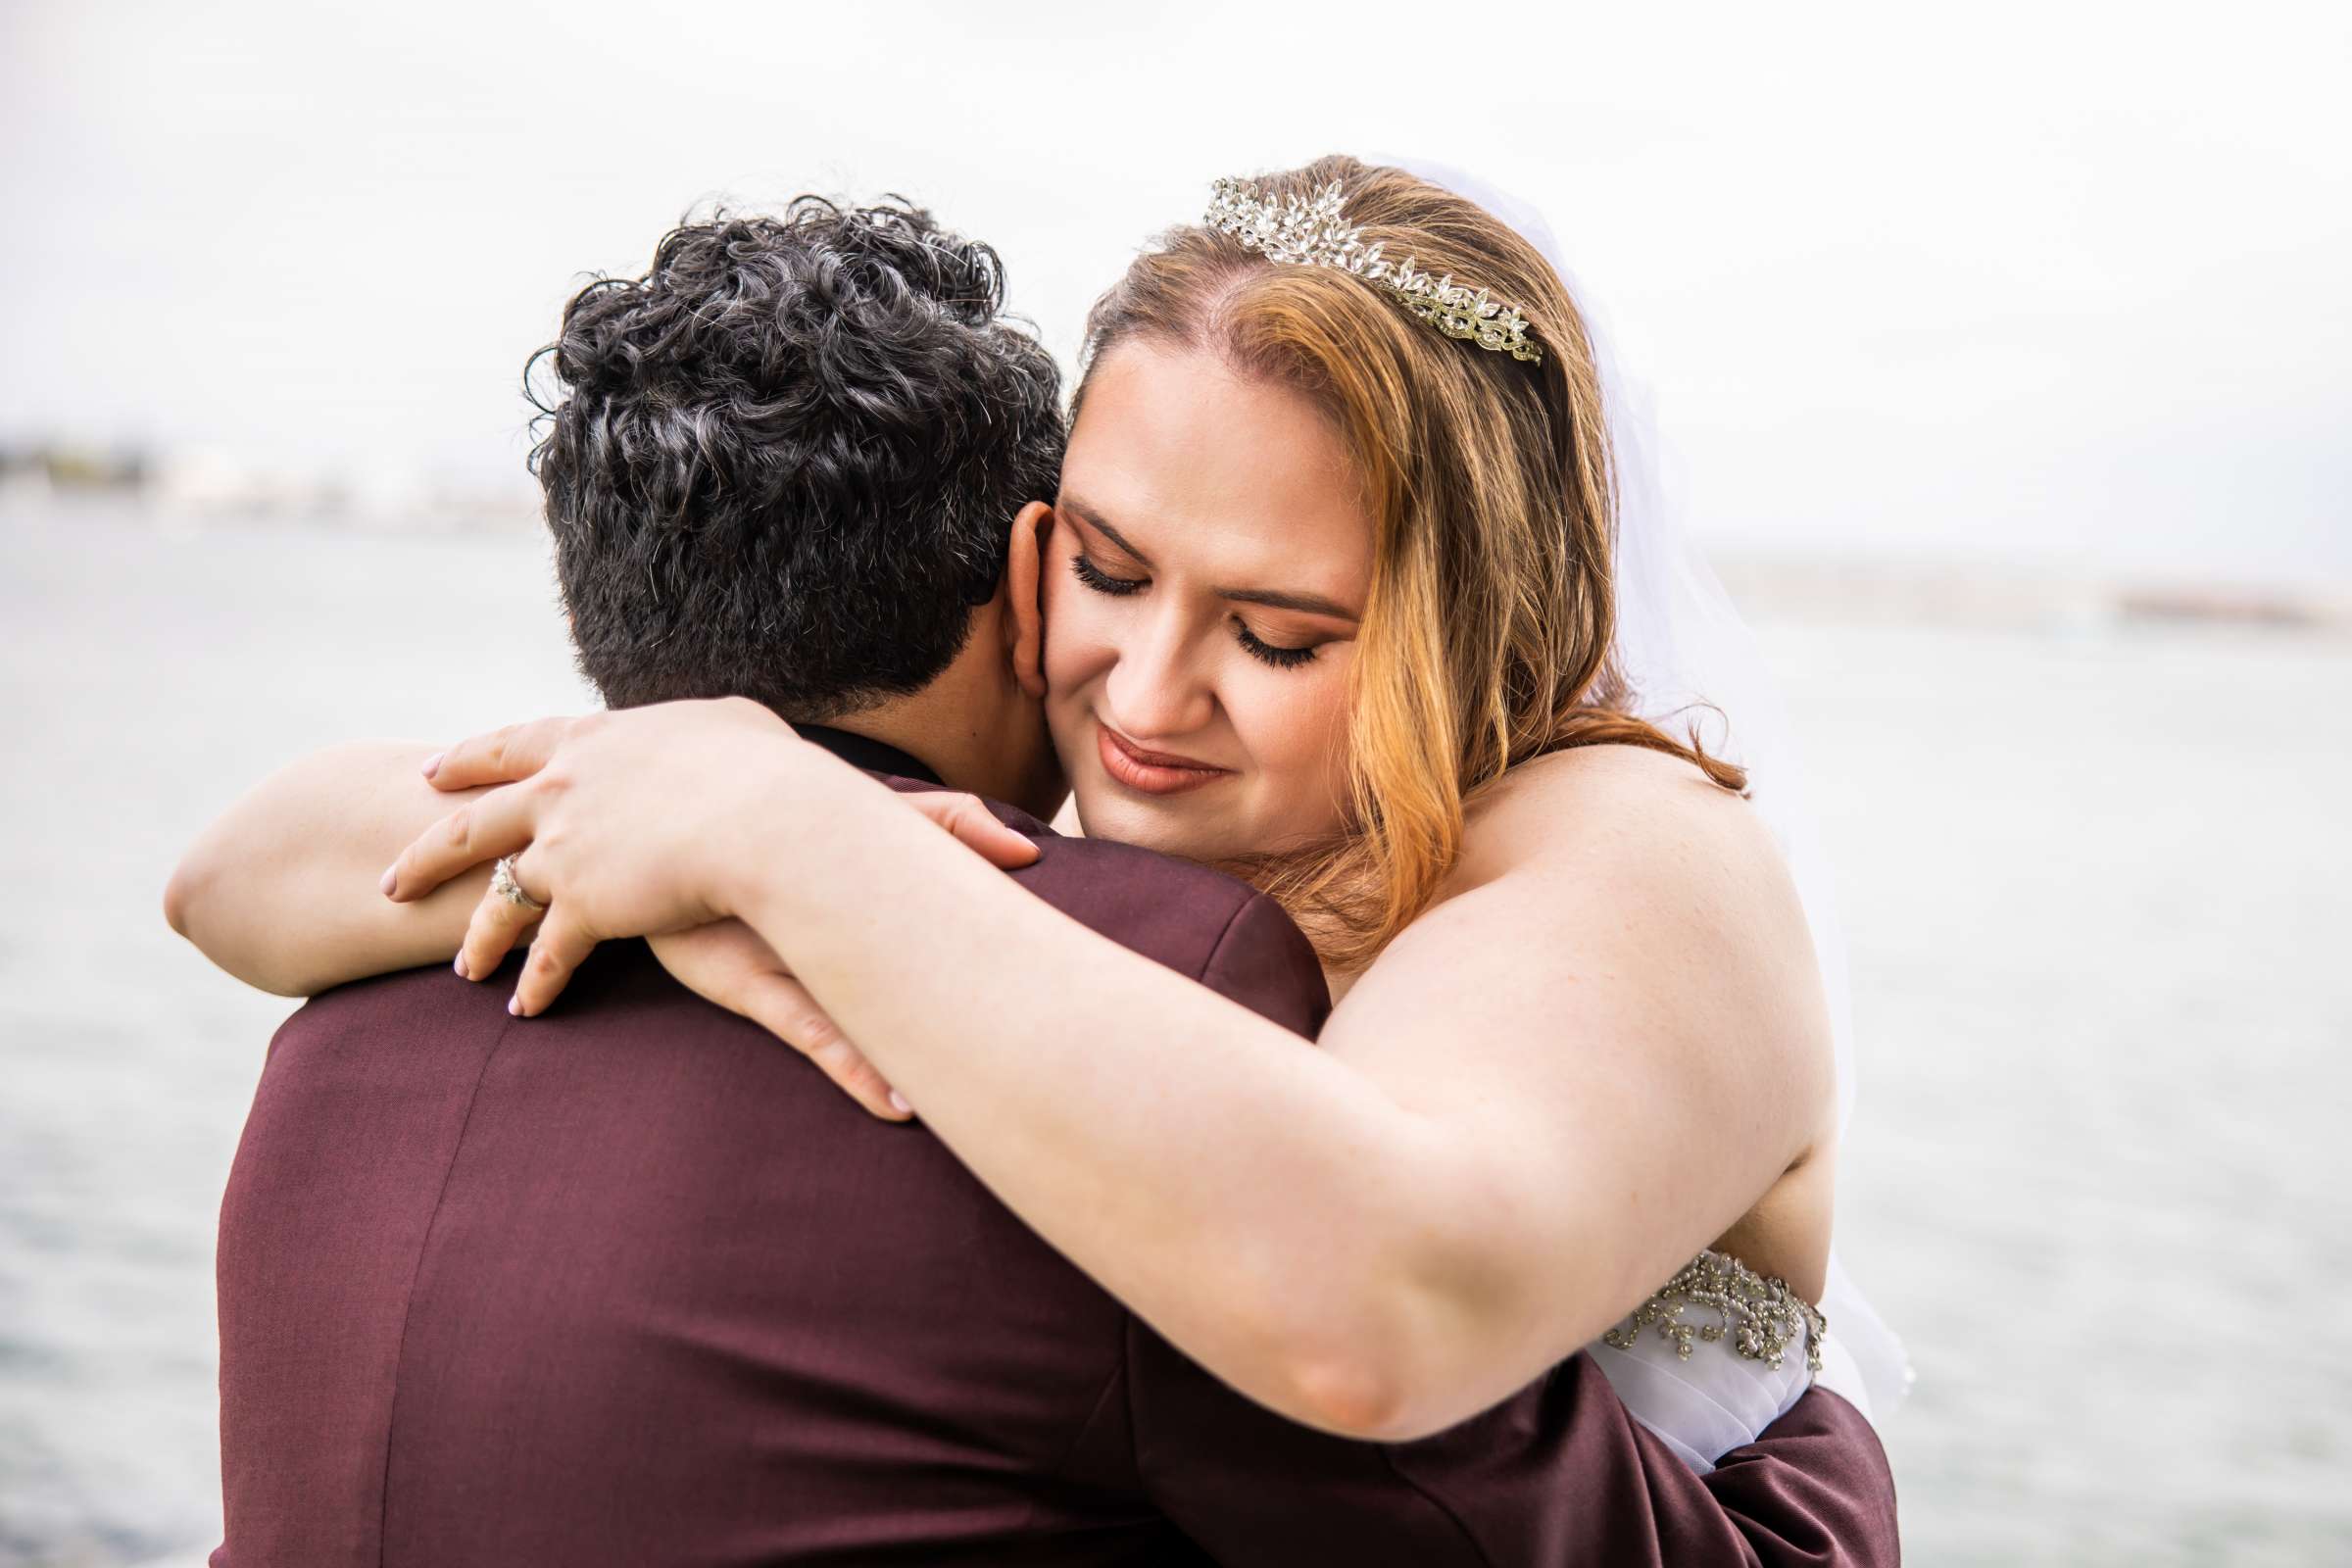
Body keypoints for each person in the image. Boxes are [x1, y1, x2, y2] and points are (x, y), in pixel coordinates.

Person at [172, 165, 1897, 1545]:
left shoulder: (1631, 848)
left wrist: (779, 829)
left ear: (1477, 630)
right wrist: (707, 809)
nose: (1145, 696)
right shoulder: (1124, 814)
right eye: (1111, 569)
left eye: (1282, 637)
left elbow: (1380, 1307)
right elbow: (243, 873)